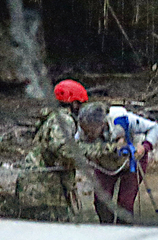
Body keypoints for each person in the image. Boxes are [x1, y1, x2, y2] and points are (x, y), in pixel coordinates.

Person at [11, 80, 106, 220]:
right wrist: (97, 151)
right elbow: (63, 149)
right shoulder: (62, 119)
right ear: (73, 103)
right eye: (79, 104)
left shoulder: (52, 117)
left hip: (40, 186)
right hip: (44, 189)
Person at [76, 101, 158, 224]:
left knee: (125, 202)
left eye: (91, 129)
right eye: (85, 129)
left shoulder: (123, 119)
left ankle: (124, 229)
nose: (88, 133)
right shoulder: (83, 129)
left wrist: (144, 147)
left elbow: (154, 128)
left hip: (132, 160)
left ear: (102, 123)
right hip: (105, 162)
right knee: (101, 200)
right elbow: (76, 145)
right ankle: (106, 227)